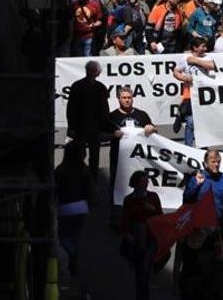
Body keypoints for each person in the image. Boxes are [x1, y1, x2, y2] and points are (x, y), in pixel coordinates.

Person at [66, 60, 114, 191]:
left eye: (94, 70)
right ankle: (77, 179)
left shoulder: (101, 87)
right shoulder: (77, 86)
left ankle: (93, 182)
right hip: (80, 126)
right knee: (79, 154)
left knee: (95, 156)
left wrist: (106, 128)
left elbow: (105, 110)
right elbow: (71, 109)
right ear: (86, 71)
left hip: (96, 128)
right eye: (90, 70)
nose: (92, 72)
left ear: (98, 73)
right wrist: (71, 128)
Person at [121, 171, 162, 300]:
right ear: (136, 184)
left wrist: (153, 210)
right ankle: (141, 294)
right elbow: (125, 220)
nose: (145, 184)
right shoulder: (129, 200)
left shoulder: (153, 197)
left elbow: (161, 218)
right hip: (136, 238)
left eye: (146, 182)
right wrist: (128, 235)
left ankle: (143, 295)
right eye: (142, 182)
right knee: (139, 270)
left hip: (149, 238)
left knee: (145, 269)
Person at [55, 143, 92, 277]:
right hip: (81, 206)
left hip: (65, 206)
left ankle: (69, 258)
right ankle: (73, 261)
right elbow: (90, 191)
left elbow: (55, 189)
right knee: (75, 236)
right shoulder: (84, 170)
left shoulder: (61, 169)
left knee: (64, 235)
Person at [109, 88, 155, 192]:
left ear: (132, 99)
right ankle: (115, 206)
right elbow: (101, 135)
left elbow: (155, 130)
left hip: (139, 158)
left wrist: (152, 128)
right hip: (119, 158)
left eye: (129, 97)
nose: (127, 100)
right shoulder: (111, 117)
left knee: (140, 183)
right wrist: (113, 135)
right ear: (118, 99)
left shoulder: (142, 115)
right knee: (116, 185)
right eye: (124, 98)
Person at [183, 148, 223, 218]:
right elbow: (186, 199)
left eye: (218, 162)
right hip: (199, 223)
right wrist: (196, 185)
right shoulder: (197, 177)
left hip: (219, 223)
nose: (217, 164)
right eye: (213, 162)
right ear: (205, 164)